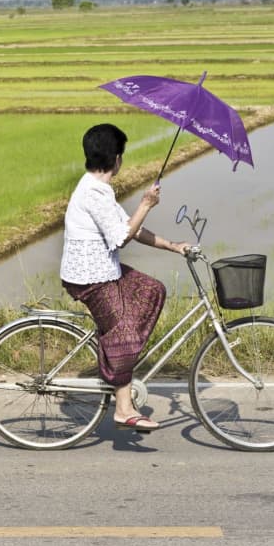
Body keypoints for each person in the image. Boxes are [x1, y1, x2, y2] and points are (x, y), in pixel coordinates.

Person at [59, 124, 189, 432]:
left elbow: (132, 228)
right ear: (116, 159)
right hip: (90, 278)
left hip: (103, 271)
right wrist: (145, 204)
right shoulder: (93, 193)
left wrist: (173, 246)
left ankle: (116, 356)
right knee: (125, 335)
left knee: (151, 289)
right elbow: (121, 238)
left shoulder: (99, 190)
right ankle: (123, 407)